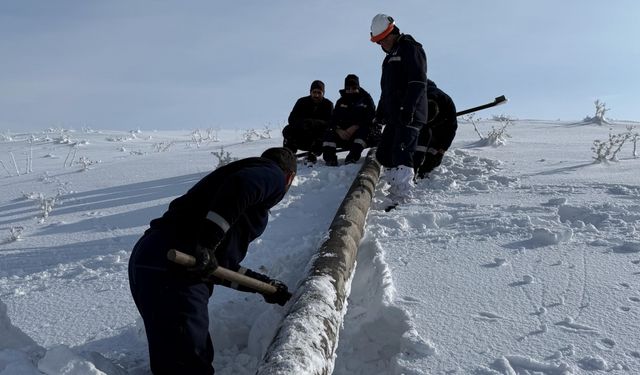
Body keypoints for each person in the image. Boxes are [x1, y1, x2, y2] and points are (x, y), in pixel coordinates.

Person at [128, 147, 297, 374]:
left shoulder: (226, 202)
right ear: (290, 178)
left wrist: (264, 286)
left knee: (173, 361)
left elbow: (216, 267)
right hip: (174, 266)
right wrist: (207, 242)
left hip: (152, 259)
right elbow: (242, 185)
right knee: (189, 364)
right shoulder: (272, 174)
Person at [369, 14, 428, 202]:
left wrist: (408, 108)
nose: (380, 46)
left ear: (389, 35)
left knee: (402, 153)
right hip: (395, 115)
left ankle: (403, 197)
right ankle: (396, 190)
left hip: (410, 113)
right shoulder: (389, 59)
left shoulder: (410, 48)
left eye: (380, 42)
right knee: (385, 153)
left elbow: (418, 81)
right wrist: (379, 117)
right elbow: (386, 92)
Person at [322, 74, 378, 166]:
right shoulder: (340, 102)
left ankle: (352, 157)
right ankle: (330, 159)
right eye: (348, 88)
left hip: (359, 134)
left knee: (365, 130)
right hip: (343, 134)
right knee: (328, 132)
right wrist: (338, 130)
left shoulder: (366, 100)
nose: (351, 91)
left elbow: (370, 117)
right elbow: (333, 119)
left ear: (358, 87)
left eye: (354, 88)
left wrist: (356, 126)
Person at [414, 79, 458, 179]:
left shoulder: (447, 104)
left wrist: (442, 149)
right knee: (420, 145)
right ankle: (413, 168)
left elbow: (451, 129)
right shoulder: (417, 98)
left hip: (440, 129)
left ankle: (425, 171)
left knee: (435, 152)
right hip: (421, 127)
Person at [282, 80, 334, 163]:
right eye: (314, 92)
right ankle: (289, 153)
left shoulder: (328, 104)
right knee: (287, 130)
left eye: (319, 92)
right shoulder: (301, 102)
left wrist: (314, 123)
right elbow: (291, 119)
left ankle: (313, 154)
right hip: (301, 135)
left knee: (327, 133)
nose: (316, 95)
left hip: (317, 138)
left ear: (323, 93)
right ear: (310, 92)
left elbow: (330, 123)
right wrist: (302, 124)